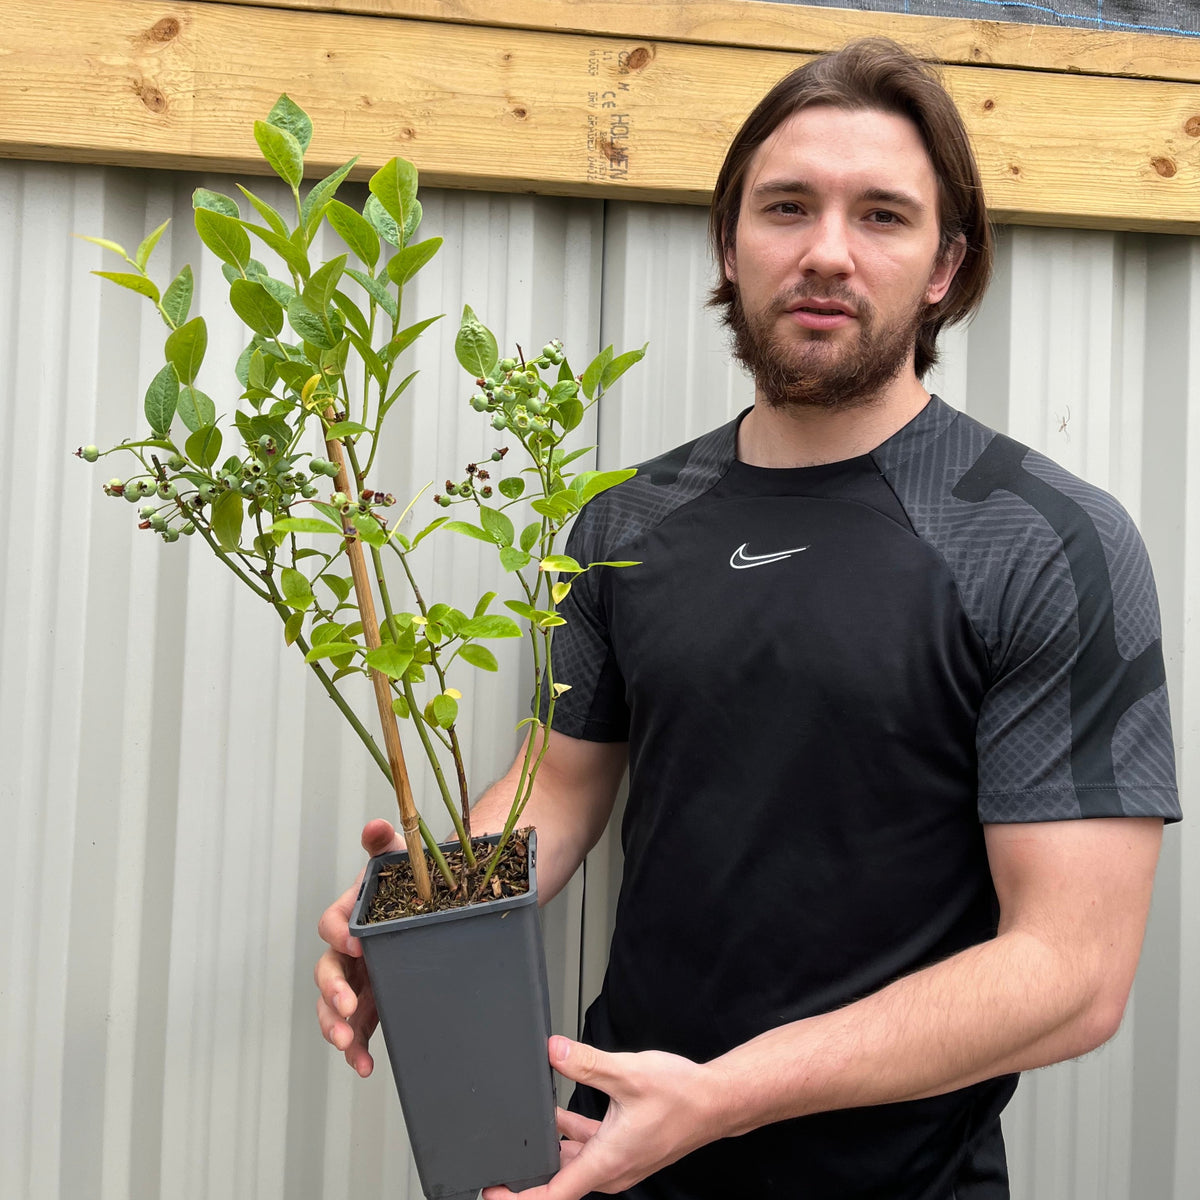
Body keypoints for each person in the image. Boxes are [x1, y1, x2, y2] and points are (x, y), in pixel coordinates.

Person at [315, 38, 1180, 1200]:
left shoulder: (1042, 540)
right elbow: (560, 793)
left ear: (943, 265)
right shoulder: (624, 522)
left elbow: (1072, 973)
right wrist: (423, 915)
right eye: (787, 207)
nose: (827, 252)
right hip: (607, 1158)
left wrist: (721, 1099)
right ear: (731, 241)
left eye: (881, 215)